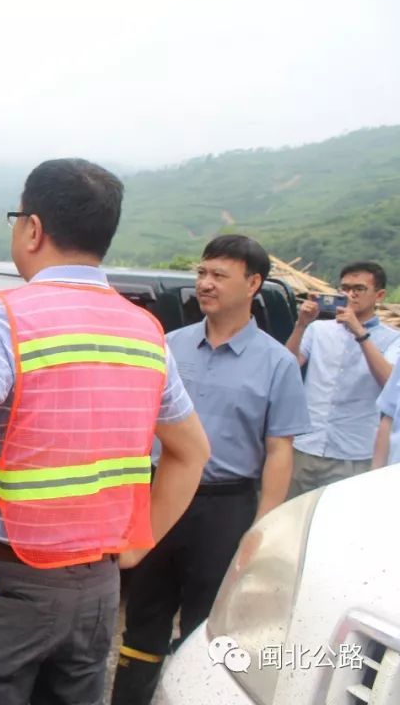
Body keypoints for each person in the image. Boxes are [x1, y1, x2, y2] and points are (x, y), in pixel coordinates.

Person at [0, 158, 210, 705]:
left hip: (4, 579)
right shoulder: (145, 332)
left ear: (32, 227)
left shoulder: (3, 320)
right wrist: (136, 546)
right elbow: (192, 452)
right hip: (96, 588)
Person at [111, 234, 311, 704]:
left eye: (219, 275)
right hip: (160, 498)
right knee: (143, 616)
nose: (205, 283)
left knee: (207, 625)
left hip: (225, 507)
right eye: (202, 273)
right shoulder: (169, 346)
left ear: (253, 283)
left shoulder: (277, 363)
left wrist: (262, 528)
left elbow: (280, 451)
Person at [284, 262, 399, 498]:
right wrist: (301, 324)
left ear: (379, 295)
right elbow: (288, 367)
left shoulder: (392, 339)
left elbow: (389, 385)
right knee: (293, 521)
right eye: (345, 288)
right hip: (307, 444)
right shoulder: (318, 330)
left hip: (354, 452)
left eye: (358, 289)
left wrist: (361, 333)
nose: (350, 295)